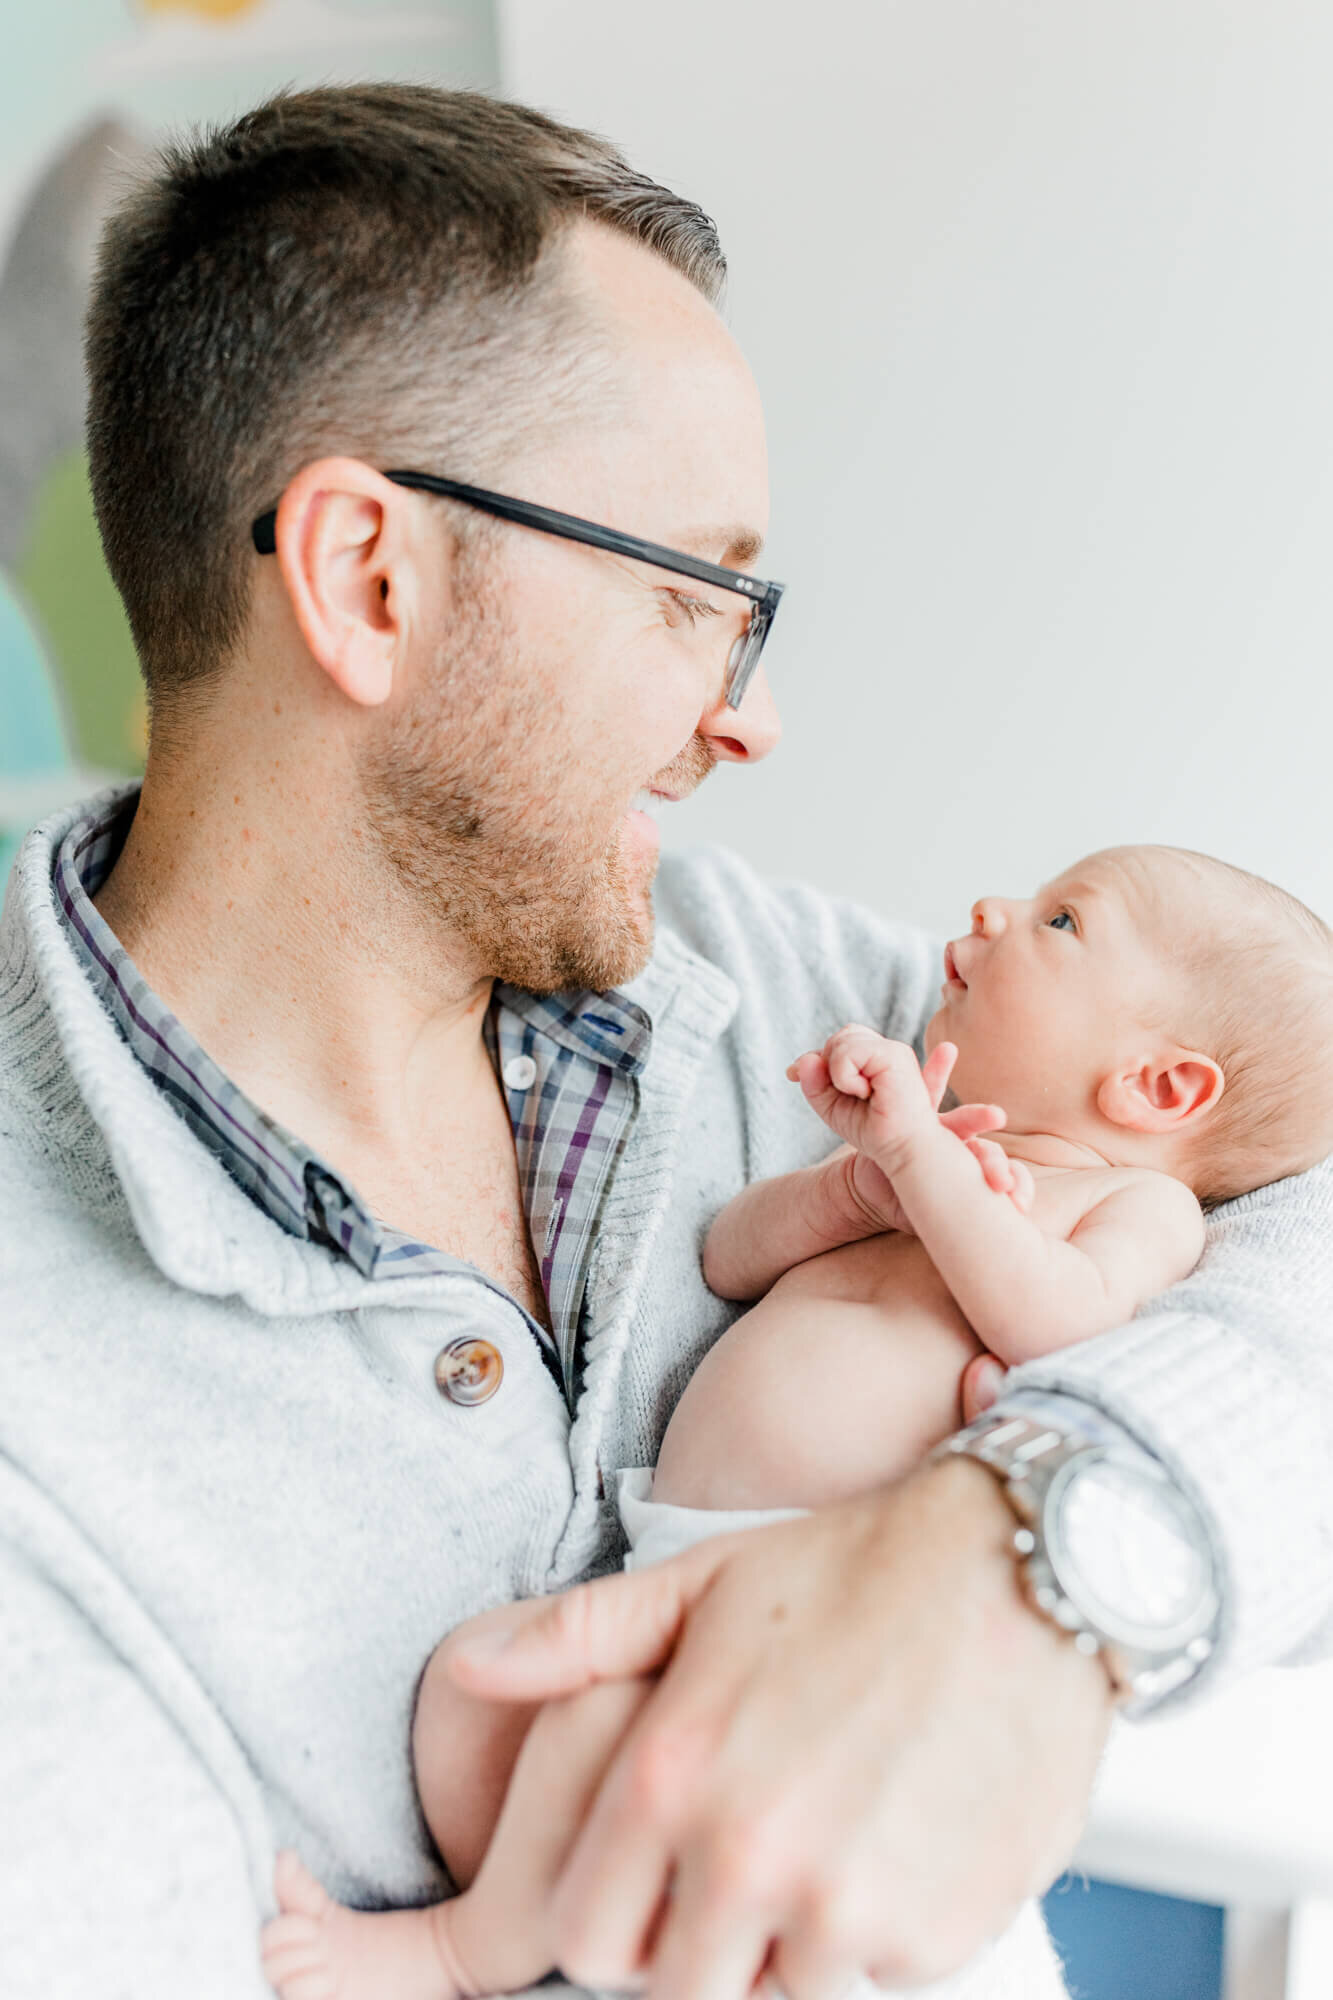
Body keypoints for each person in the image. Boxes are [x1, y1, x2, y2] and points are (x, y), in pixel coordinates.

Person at [2, 82, 1331, 2000]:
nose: (746, 720)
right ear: (370, 581)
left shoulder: (778, 993)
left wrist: (1028, 1558)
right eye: (694, 596)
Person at [257, 842, 1333, 2000]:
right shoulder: (925, 1148)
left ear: (1157, 1086)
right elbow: (726, 1254)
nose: (995, 905)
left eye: (1063, 920)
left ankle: (461, 1954)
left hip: (820, 1595)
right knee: (478, 1681)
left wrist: (924, 1164)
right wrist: (846, 1189)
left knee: (617, 1754)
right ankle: (580, 1929)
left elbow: (1060, 1332)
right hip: (676, 1557)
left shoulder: (1137, 1206)